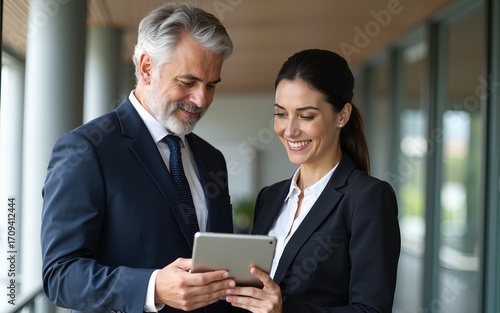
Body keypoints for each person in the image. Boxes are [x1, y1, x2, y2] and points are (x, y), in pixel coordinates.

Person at [41, 3, 237, 313]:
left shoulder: (212, 159)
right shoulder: (85, 150)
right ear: (146, 68)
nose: (201, 99)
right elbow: (60, 275)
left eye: (211, 85)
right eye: (188, 82)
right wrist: (153, 287)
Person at [224, 49, 401, 312]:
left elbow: (371, 309)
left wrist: (285, 308)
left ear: (342, 115)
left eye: (306, 116)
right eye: (281, 114)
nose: (290, 129)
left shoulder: (368, 197)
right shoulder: (269, 198)